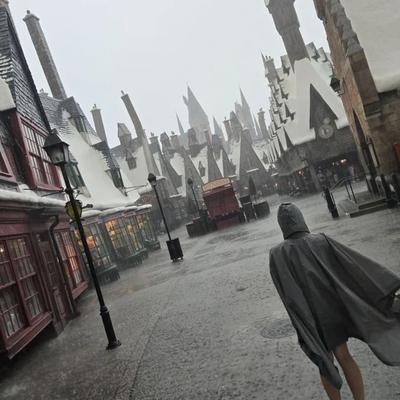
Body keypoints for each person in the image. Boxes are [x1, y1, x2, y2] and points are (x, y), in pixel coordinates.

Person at [269, 203, 400, 400]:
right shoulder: (320, 240)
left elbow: (284, 290)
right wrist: (385, 283)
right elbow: (351, 264)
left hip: (307, 318)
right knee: (344, 355)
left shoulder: (277, 254)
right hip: (330, 312)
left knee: (325, 364)